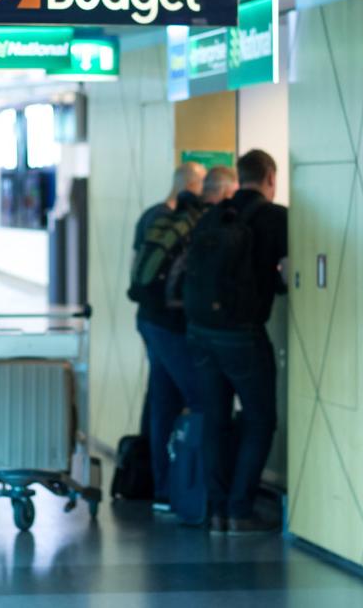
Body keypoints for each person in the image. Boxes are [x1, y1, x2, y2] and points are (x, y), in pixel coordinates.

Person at [185, 149, 288, 534]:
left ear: (239, 177)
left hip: (199, 331)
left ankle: (215, 508)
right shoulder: (276, 218)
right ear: (271, 178)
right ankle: (239, 508)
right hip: (241, 335)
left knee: (216, 417)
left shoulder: (214, 214)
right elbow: (287, 274)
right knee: (261, 418)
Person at [130, 163, 238, 513]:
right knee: (203, 400)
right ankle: (200, 489)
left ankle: (166, 488)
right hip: (173, 324)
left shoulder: (155, 217)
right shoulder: (198, 221)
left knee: (163, 400)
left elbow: (138, 268)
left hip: (149, 318)